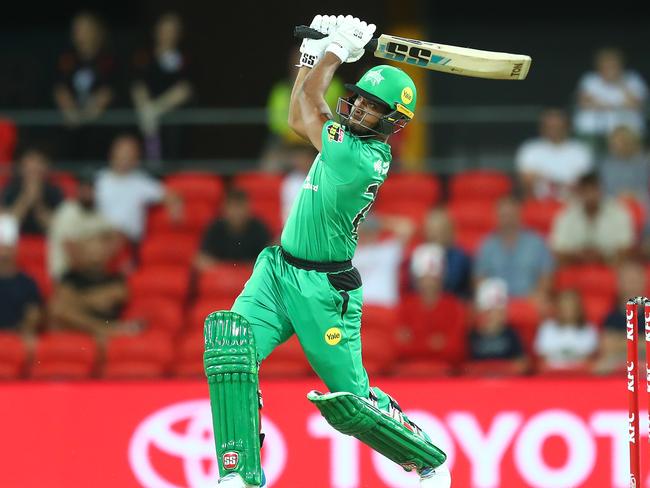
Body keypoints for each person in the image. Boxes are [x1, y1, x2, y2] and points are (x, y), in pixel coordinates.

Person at [203, 15, 450, 488]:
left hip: (324, 290)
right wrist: (317, 54)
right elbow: (300, 116)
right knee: (231, 345)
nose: (358, 110)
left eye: (373, 108)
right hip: (278, 272)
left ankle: (427, 462)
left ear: (393, 123)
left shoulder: (362, 159)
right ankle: (238, 475)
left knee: (350, 403)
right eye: (357, 99)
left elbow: (312, 102)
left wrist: (332, 52)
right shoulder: (343, 139)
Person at [48, 232, 137, 340]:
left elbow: (105, 300)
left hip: (96, 324)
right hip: (87, 329)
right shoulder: (70, 277)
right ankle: (104, 329)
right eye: (88, 247)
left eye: (98, 247)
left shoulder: (116, 278)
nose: (94, 252)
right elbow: (59, 309)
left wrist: (74, 301)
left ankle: (103, 329)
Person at [95, 134, 182, 243]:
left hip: (127, 241)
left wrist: (175, 208)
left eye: (129, 153)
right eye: (122, 152)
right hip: (100, 235)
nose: (125, 157)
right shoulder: (99, 179)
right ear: (112, 153)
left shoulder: (141, 181)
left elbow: (172, 195)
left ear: (136, 158)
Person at [131, 12, 193, 163]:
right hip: (146, 120)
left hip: (172, 118)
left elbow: (184, 89)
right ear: (156, 32)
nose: (167, 35)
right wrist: (146, 110)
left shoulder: (185, 58)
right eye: (164, 30)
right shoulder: (144, 55)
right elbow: (137, 84)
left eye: (172, 31)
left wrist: (155, 110)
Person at [53, 11, 115, 159]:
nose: (80, 33)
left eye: (85, 29)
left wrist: (86, 116)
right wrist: (72, 113)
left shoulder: (107, 60)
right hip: (70, 125)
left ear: (96, 31)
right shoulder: (66, 58)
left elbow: (107, 92)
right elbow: (60, 89)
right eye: (76, 29)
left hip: (98, 128)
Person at [398, 243, 468, 367]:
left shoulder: (453, 306)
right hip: (410, 373)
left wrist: (415, 342)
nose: (429, 283)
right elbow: (398, 347)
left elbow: (456, 350)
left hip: (446, 374)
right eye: (424, 278)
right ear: (416, 280)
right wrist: (434, 344)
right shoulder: (406, 306)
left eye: (433, 278)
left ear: (441, 278)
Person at [475, 196, 555, 299]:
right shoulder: (487, 245)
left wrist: (538, 294)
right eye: (503, 215)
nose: (507, 220)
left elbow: (546, 276)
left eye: (510, 215)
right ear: (496, 217)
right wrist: (490, 300)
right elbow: (479, 279)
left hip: (530, 300)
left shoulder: (536, 243)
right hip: (496, 304)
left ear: (519, 214)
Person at [550, 171, 634, 264]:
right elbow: (558, 250)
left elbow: (626, 248)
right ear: (579, 193)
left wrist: (603, 256)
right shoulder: (566, 215)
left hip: (611, 266)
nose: (590, 196)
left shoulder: (619, 212)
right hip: (575, 266)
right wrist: (578, 256)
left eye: (593, 190)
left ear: (601, 190)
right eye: (585, 191)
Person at [48, 170, 115, 280]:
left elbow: (116, 235)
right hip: (68, 273)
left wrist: (101, 253)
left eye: (90, 189)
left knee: (118, 289)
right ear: (77, 190)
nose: (87, 193)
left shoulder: (98, 212)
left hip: (95, 272)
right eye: (84, 189)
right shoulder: (67, 210)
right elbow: (70, 249)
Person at [573, 48, 648, 146]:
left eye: (613, 66)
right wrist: (620, 105)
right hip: (593, 130)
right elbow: (583, 103)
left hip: (628, 131)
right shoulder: (590, 79)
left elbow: (636, 104)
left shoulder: (633, 79)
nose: (609, 70)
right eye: (605, 66)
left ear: (621, 66)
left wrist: (620, 83)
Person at [515, 108, 593, 200]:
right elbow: (526, 181)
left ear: (567, 127)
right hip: (539, 203)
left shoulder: (581, 150)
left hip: (572, 202)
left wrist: (544, 178)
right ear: (542, 127)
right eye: (550, 126)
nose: (554, 130)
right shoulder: (530, 149)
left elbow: (584, 182)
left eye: (558, 126)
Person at [194, 189, 271, 269]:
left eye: (240, 207)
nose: (237, 213)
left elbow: (268, 261)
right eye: (233, 207)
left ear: (248, 208)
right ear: (224, 208)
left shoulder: (259, 228)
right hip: (221, 278)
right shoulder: (215, 228)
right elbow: (201, 259)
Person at [594, 260, 647, 375]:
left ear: (643, 282)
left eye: (635, 280)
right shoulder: (611, 317)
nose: (632, 284)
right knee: (600, 366)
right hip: (618, 361)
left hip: (645, 363)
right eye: (628, 280)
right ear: (619, 284)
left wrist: (619, 341)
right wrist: (641, 341)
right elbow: (607, 347)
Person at [353, 213, 414, 307]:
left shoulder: (387, 250)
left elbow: (407, 228)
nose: (367, 234)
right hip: (357, 308)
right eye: (364, 230)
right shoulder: (349, 253)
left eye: (370, 231)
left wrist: (376, 222)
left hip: (383, 306)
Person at [0, 148, 64, 235]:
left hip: (46, 241)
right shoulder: (10, 189)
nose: (34, 168)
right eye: (30, 162)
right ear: (21, 167)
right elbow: (7, 225)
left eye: (38, 162)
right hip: (16, 241)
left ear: (46, 167)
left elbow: (56, 225)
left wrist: (37, 203)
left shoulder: (54, 191)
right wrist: (26, 199)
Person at [467, 278, 527, 370]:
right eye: (491, 311)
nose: (495, 315)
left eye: (499, 311)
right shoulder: (473, 336)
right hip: (478, 382)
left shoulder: (511, 334)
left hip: (507, 381)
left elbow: (522, 364)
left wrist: (502, 369)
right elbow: (465, 367)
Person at [414, 208, 472, 299]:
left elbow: (452, 285)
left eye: (439, 229)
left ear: (449, 232)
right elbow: (413, 287)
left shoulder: (459, 258)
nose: (434, 234)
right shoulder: (419, 254)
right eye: (431, 229)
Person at [534, 289, 599, 370]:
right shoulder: (547, 328)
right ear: (558, 308)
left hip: (580, 376)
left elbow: (588, 359)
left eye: (572, 305)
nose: (568, 309)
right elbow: (543, 358)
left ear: (579, 308)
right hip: (552, 376)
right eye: (565, 305)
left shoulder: (589, 329)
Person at [0, 214, 42, 337]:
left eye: (7, 248)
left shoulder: (27, 283)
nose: (3, 253)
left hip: (17, 340)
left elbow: (33, 315)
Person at [599, 125, 650, 210]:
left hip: (637, 202)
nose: (616, 145)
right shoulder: (605, 164)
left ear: (629, 142)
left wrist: (631, 194)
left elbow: (644, 188)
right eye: (613, 142)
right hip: (612, 203)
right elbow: (603, 188)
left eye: (621, 141)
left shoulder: (643, 162)